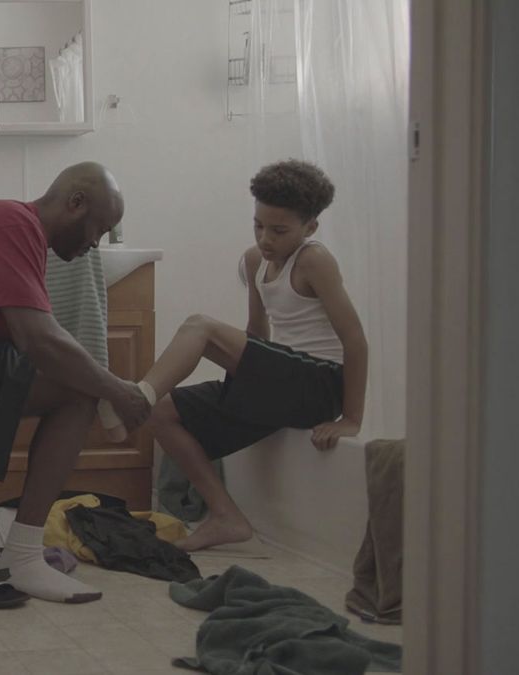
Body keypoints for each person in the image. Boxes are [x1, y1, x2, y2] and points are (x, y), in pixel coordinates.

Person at [137, 159, 368, 552]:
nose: (266, 238)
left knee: (201, 326)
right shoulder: (254, 260)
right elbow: (257, 334)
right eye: (258, 225)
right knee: (162, 413)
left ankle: (134, 395)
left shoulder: (314, 260)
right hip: (280, 380)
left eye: (279, 230)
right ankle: (226, 516)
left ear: (309, 228)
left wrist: (351, 418)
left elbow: (355, 340)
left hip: (317, 383)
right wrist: (236, 378)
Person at [0, 162, 151, 604]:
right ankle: (22, 557)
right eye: (96, 228)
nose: (94, 244)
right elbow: (38, 338)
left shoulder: (18, 230)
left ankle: (12, 552)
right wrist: (117, 389)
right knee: (81, 389)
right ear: (75, 203)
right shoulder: (9, 222)